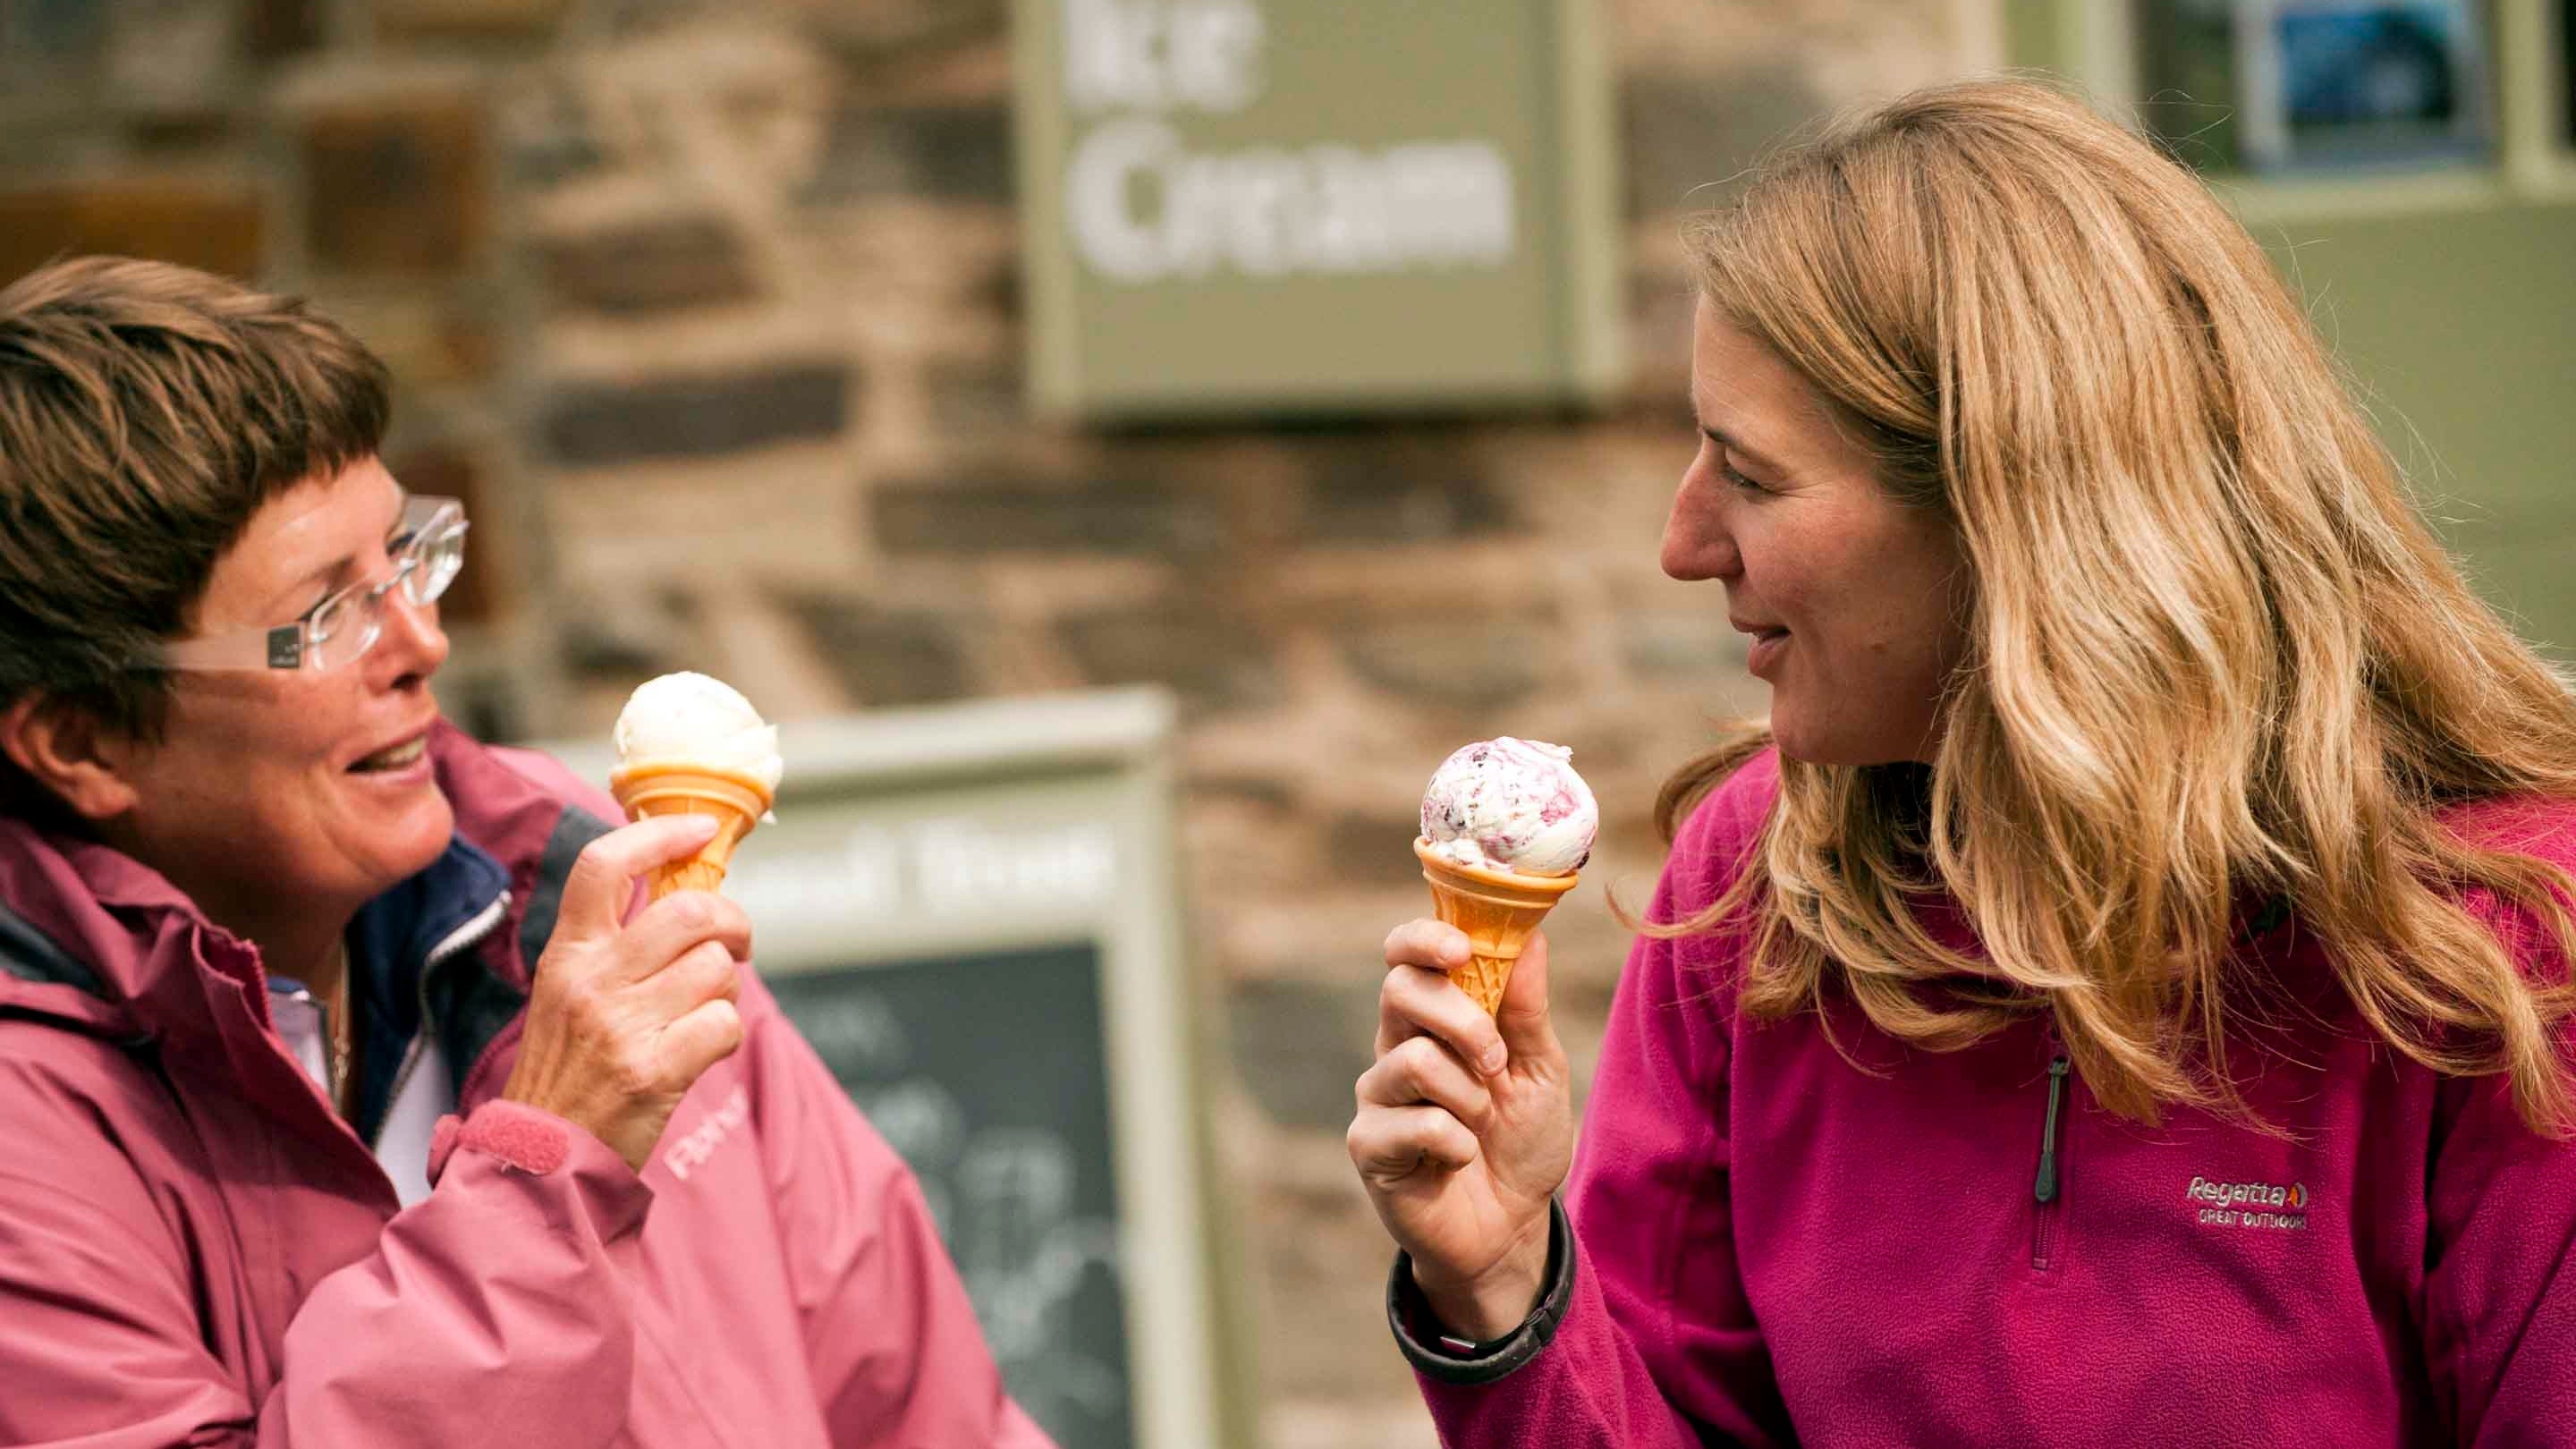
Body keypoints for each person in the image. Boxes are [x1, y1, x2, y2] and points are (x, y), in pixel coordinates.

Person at [1349, 77, 2576, 1446]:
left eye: (1750, 476)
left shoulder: (2502, 957)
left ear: (2009, 503)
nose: (1684, 544)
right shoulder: (1757, 897)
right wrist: (1508, 1284)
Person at [0, 256, 1053, 1447]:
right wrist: (547, 1169)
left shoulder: (565, 886)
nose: (422, 639)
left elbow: (916, 1404)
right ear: (80, 740)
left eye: (405, 559)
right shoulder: (25, 1132)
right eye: (327, 614)